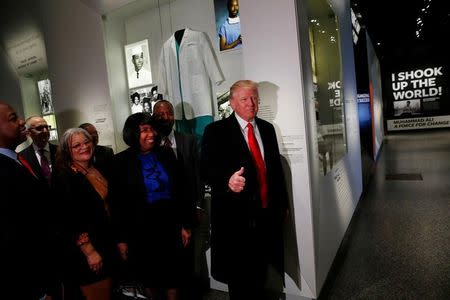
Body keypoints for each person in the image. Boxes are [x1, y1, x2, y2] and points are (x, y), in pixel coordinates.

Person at [201, 80, 288, 299]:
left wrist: (283, 205)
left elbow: (275, 172)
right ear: (231, 103)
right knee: (239, 283)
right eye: (244, 99)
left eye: (254, 98)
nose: (251, 103)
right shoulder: (215, 131)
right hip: (235, 223)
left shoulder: (267, 129)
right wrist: (226, 181)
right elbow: (205, 170)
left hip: (265, 218)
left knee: (261, 275)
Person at [109, 113, 194, 300]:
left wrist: (184, 225)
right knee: (149, 281)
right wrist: (121, 239)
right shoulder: (119, 162)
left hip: (169, 227)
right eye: (145, 130)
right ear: (132, 133)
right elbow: (116, 204)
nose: (152, 134)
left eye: (153, 129)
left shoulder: (166, 154)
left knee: (173, 279)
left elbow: (181, 191)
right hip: (140, 233)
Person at [52, 128, 116, 300]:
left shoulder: (95, 168)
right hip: (88, 252)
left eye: (86, 142)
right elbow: (69, 219)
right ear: (67, 151)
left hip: (105, 243)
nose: (84, 147)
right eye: (76, 145)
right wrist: (89, 251)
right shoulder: (65, 177)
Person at [0, 102, 55, 299]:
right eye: (13, 118)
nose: (22, 121)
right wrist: (36, 291)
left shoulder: (14, 161)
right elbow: (10, 238)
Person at [152, 100, 206, 299]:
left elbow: (198, 176)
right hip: (163, 212)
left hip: (189, 207)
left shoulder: (190, 140)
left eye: (168, 113)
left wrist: (199, 204)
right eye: (159, 114)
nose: (164, 117)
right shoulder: (150, 144)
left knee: (190, 255)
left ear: (174, 116)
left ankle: (190, 291)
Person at [19, 116, 57, 186]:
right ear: (28, 133)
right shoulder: (22, 157)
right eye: (39, 128)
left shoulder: (60, 151)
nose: (45, 131)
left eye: (47, 127)